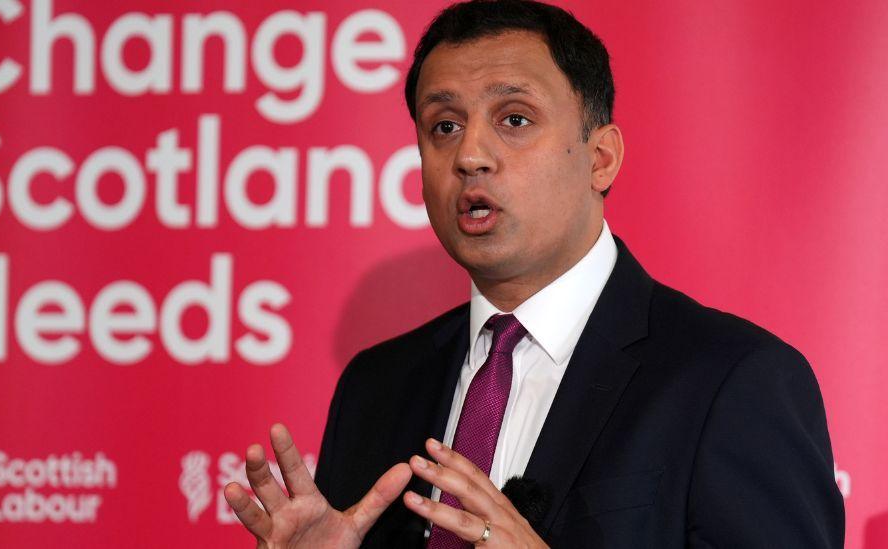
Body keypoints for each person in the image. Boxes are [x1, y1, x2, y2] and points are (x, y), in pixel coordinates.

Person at [223, 0, 846, 547]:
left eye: (514, 120)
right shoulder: (377, 387)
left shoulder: (732, 380)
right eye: (444, 127)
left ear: (600, 158)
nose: (470, 155)